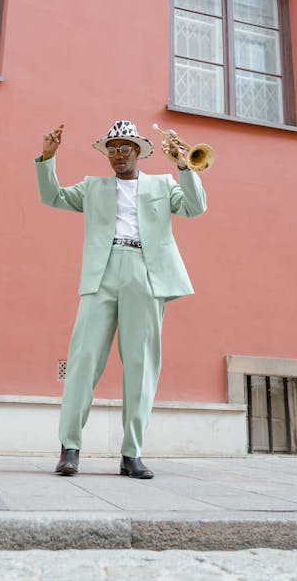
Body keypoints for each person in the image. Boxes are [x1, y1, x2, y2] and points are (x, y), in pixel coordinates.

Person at [34, 120, 207, 478]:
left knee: (142, 363)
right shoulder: (92, 188)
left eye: (124, 147)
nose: (117, 154)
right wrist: (47, 159)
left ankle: (132, 454)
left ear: (139, 151)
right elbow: (52, 197)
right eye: (112, 148)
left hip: (145, 272)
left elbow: (195, 207)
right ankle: (69, 449)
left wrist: (184, 166)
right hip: (101, 272)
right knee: (83, 358)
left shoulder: (162, 184)